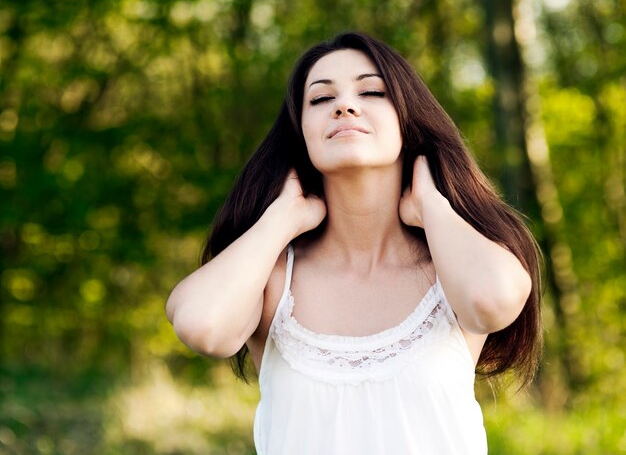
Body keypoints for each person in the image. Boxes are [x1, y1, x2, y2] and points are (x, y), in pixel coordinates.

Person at [166, 31, 542, 455]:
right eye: (321, 99)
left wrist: (430, 204)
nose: (345, 105)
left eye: (372, 91)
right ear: (301, 133)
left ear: (407, 119)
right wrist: (281, 219)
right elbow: (202, 326)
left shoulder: (453, 266)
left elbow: (494, 300)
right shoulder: (273, 276)